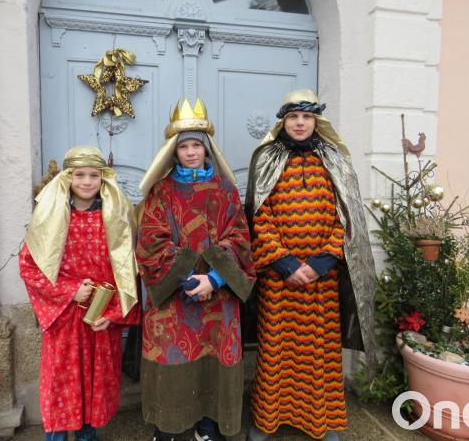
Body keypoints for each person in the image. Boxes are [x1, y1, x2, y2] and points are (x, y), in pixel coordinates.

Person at [244, 90, 378, 441]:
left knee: (319, 353)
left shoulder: (334, 158)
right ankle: (267, 420)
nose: (300, 123)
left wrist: (322, 261)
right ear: (283, 121)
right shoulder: (266, 159)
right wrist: (285, 262)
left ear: (316, 120)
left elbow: (345, 215)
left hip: (322, 277)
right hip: (280, 276)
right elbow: (260, 215)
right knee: (276, 352)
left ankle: (319, 421)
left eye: (306, 117)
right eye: (293, 117)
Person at [136, 99, 256, 441]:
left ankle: (208, 424)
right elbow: (150, 241)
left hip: (219, 298)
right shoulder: (162, 192)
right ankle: (169, 425)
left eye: (196, 146)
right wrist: (188, 278)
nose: (191, 152)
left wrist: (214, 279)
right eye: (184, 146)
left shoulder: (226, 191)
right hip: (175, 296)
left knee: (214, 359)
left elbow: (240, 239)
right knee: (173, 357)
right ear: (174, 151)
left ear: (207, 150)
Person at [19, 145, 140, 441]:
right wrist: (69, 292)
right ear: (68, 178)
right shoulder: (51, 218)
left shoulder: (116, 219)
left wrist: (112, 315)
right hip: (64, 321)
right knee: (62, 386)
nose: (86, 182)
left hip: (99, 320)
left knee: (95, 388)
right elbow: (30, 268)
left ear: (103, 179)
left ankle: (88, 437)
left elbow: (127, 273)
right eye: (79, 175)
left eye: (94, 175)